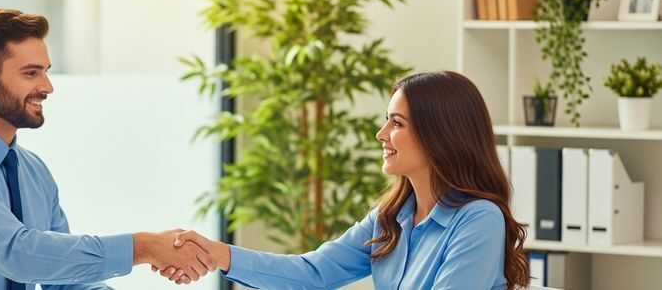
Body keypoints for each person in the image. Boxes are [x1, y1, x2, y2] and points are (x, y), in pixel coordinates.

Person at [0, 9, 214, 290]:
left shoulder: (33, 171)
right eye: (31, 73)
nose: (47, 86)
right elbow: (19, 255)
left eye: (46, 71)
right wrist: (144, 247)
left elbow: (63, 280)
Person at [158, 71, 531, 289]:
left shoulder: (478, 220)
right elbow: (313, 273)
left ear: (440, 135)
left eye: (397, 123)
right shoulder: (391, 217)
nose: (381, 134)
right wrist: (218, 254)